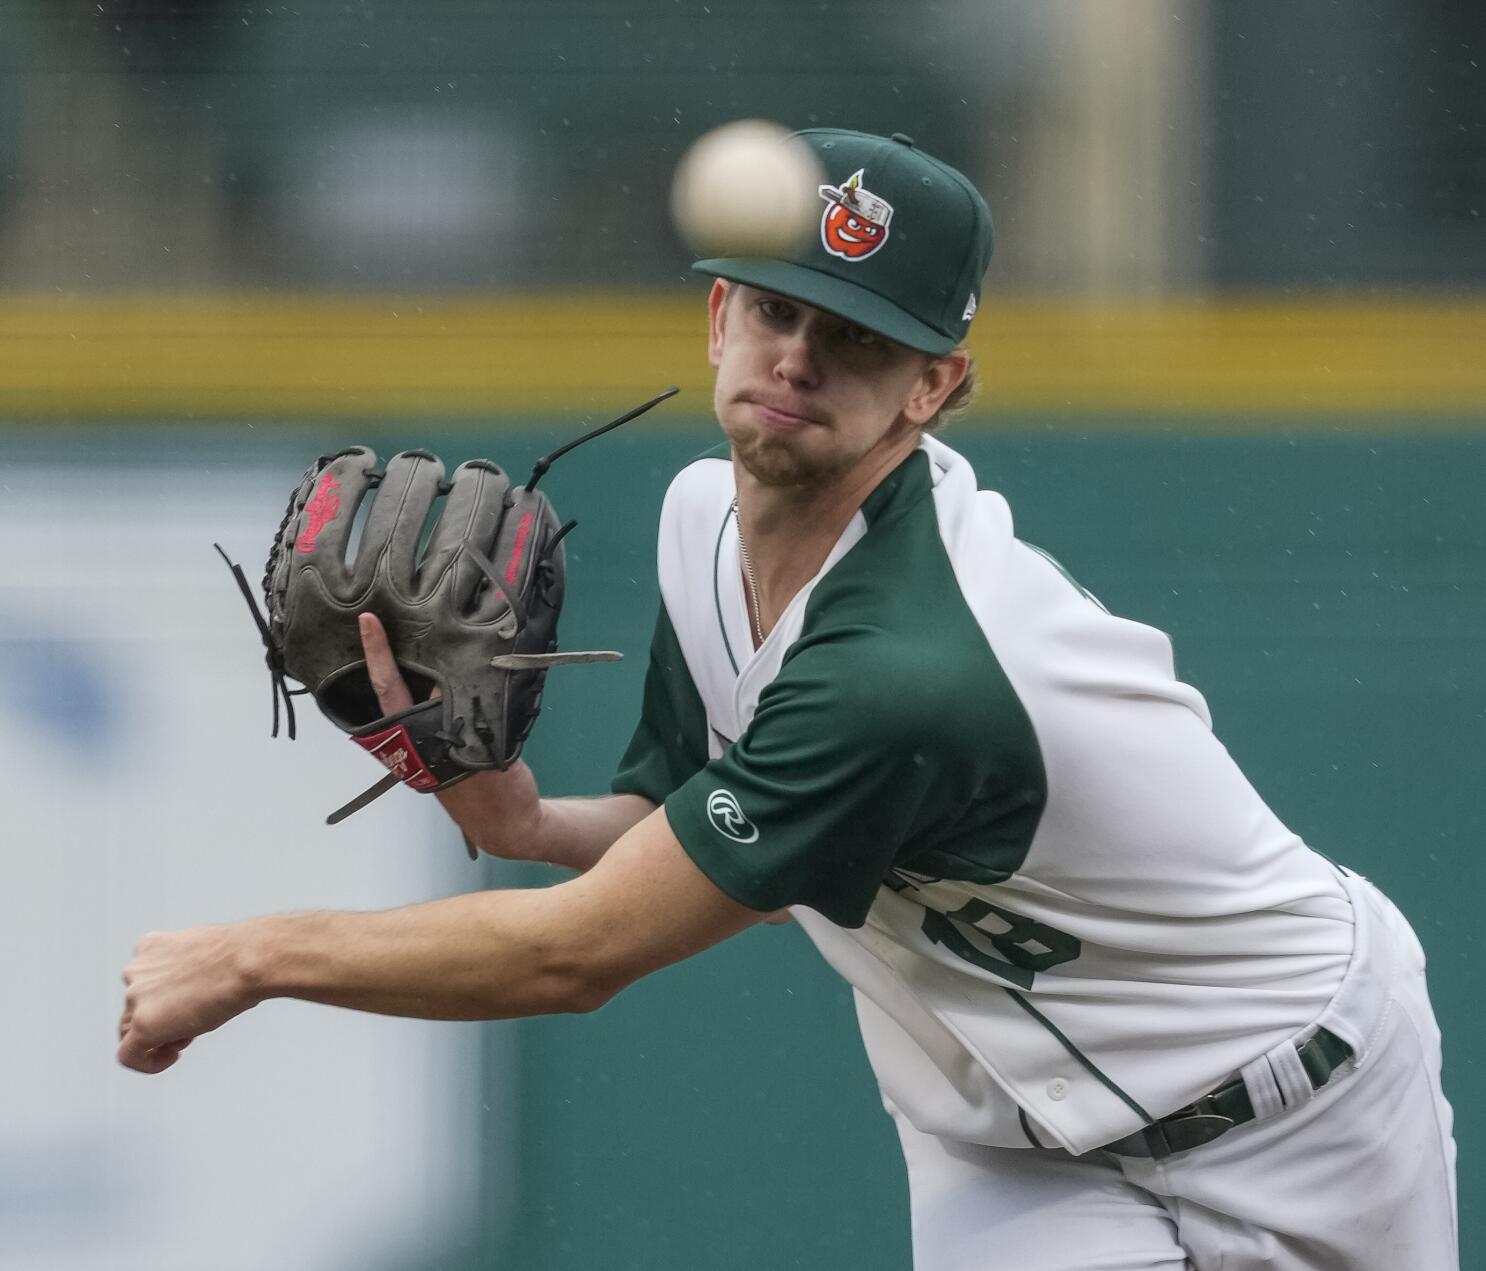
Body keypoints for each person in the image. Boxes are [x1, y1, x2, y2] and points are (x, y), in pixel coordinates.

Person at [119, 129, 1457, 1271]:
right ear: (718, 322)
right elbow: (670, 812)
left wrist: (252, 957)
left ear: (931, 389)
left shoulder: (911, 668)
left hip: (1302, 1108)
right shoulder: (703, 523)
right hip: (1014, 1148)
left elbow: (574, 956)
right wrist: (520, 821)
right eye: (775, 311)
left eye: (859, 336)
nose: (798, 357)